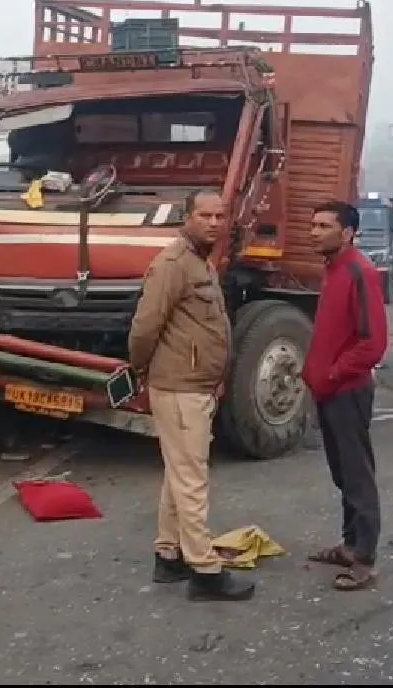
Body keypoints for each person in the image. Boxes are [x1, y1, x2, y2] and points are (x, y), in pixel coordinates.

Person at [128, 189, 255, 603]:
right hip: (179, 387)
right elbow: (146, 327)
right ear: (187, 217)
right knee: (192, 478)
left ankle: (169, 554)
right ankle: (205, 569)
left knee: (178, 473)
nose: (214, 223)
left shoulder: (200, 261)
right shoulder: (173, 264)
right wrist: (142, 368)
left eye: (220, 216)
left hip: (194, 384)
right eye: (205, 215)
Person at [302, 200, 388, 592]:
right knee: (341, 472)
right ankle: (350, 544)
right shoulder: (333, 269)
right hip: (328, 390)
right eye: (313, 225)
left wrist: (335, 373)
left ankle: (365, 560)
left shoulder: (360, 272)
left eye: (323, 226)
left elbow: (373, 344)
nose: (314, 232)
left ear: (348, 232)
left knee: (357, 474)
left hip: (348, 392)